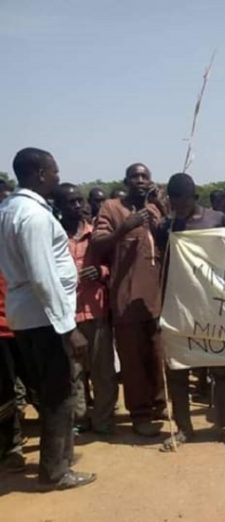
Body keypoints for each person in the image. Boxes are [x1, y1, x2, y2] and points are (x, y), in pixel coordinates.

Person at [0, 147, 96, 489]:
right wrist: (68, 327)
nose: (58, 176)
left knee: (48, 391)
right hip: (44, 319)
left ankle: (56, 461)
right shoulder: (34, 216)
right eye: (54, 171)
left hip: (25, 314)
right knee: (58, 396)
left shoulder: (10, 208)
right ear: (40, 173)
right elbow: (43, 276)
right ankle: (55, 471)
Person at [156, 173, 225, 451]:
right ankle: (184, 428)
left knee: (223, 370)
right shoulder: (166, 226)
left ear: (194, 197)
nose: (177, 206)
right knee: (179, 369)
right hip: (179, 304)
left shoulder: (216, 219)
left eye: (182, 200)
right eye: (172, 201)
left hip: (213, 305)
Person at [93, 163, 165, 437]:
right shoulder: (111, 208)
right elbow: (99, 244)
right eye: (134, 176)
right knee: (133, 362)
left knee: (158, 356)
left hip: (155, 298)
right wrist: (123, 228)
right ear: (126, 181)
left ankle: (159, 405)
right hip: (126, 298)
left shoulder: (155, 208)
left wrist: (160, 207)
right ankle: (140, 414)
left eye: (145, 176)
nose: (140, 180)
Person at [54, 184, 117, 434]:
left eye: (80, 201)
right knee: (74, 374)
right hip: (65, 315)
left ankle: (103, 420)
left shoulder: (97, 236)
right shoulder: (53, 236)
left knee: (103, 372)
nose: (78, 207)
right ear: (58, 206)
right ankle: (79, 419)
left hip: (96, 310)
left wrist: (101, 272)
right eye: (71, 202)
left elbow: (115, 265)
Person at [0, 272, 24, 472]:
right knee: (4, 394)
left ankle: (59, 443)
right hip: (4, 330)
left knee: (40, 387)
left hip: (24, 324)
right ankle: (11, 448)